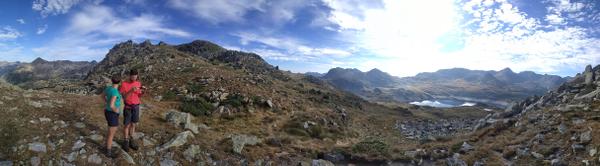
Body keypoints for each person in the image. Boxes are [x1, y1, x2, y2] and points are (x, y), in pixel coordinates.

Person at [119, 69, 145, 152]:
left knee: (133, 124)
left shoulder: (138, 83)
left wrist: (143, 91)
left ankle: (131, 140)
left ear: (137, 76)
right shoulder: (124, 84)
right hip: (128, 107)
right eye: (132, 75)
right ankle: (126, 141)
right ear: (130, 75)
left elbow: (139, 95)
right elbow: (124, 98)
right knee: (127, 125)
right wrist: (130, 91)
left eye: (135, 75)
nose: (134, 77)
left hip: (136, 106)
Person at [103, 75, 123, 158]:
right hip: (112, 113)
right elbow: (112, 105)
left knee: (110, 131)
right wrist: (116, 110)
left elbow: (101, 96)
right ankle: (108, 151)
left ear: (112, 81)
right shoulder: (115, 91)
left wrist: (106, 102)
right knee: (111, 133)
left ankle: (108, 147)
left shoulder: (108, 88)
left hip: (107, 112)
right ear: (120, 82)